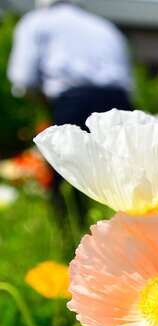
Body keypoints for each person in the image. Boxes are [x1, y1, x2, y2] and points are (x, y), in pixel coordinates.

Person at [8, 0, 133, 231]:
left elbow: (23, 79)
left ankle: (74, 246)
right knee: (124, 181)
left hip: (73, 102)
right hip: (119, 102)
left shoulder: (36, 23)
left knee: (69, 184)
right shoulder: (105, 27)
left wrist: (42, 103)